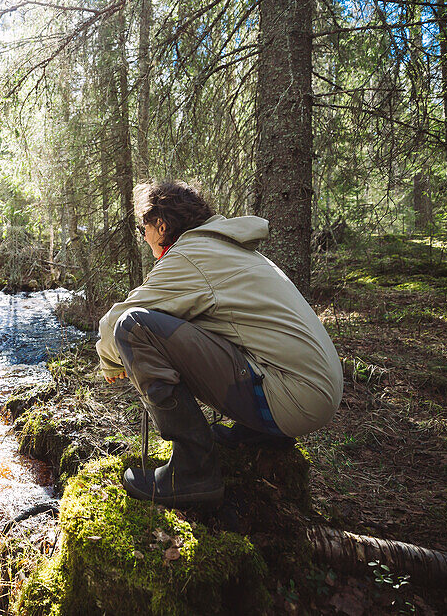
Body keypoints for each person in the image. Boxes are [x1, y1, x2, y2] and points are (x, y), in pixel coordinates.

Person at [96, 180, 343, 508]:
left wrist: (112, 362)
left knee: (134, 327)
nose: (143, 235)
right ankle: (258, 434)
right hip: (315, 394)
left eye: (144, 226)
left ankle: (194, 471)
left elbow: (115, 323)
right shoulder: (226, 248)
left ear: (161, 225)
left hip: (293, 398)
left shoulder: (192, 255)